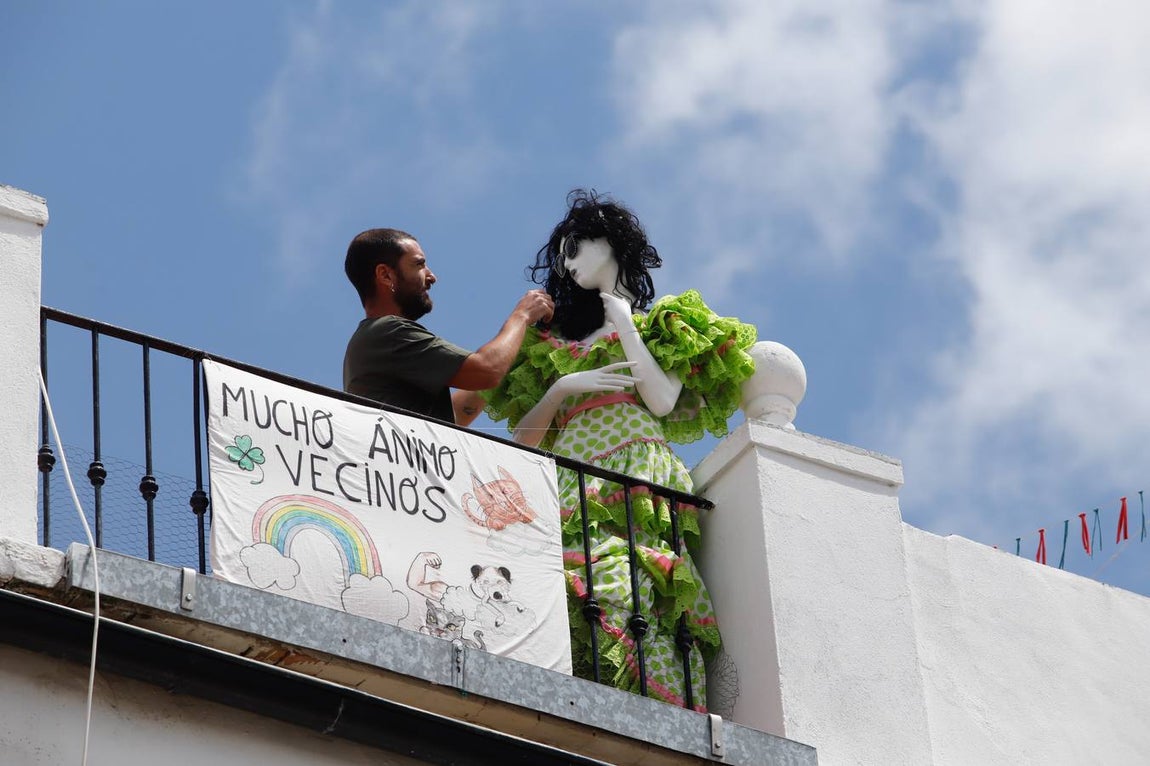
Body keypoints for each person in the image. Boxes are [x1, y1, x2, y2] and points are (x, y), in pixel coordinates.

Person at [483, 190, 757, 709]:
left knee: (635, 585)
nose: (568, 264)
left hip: (636, 466)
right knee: (571, 581)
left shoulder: (663, 326)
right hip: (572, 476)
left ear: (609, 241)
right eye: (562, 257)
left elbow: (661, 399)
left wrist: (626, 323)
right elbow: (525, 441)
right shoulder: (556, 347)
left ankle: (646, 696)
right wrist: (561, 390)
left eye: (575, 248)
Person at [343, 228, 553, 425]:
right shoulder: (389, 332)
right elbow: (487, 370)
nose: (431, 276)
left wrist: (516, 347)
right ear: (385, 275)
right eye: (419, 265)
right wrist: (522, 316)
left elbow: (455, 416)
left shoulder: (374, 341)